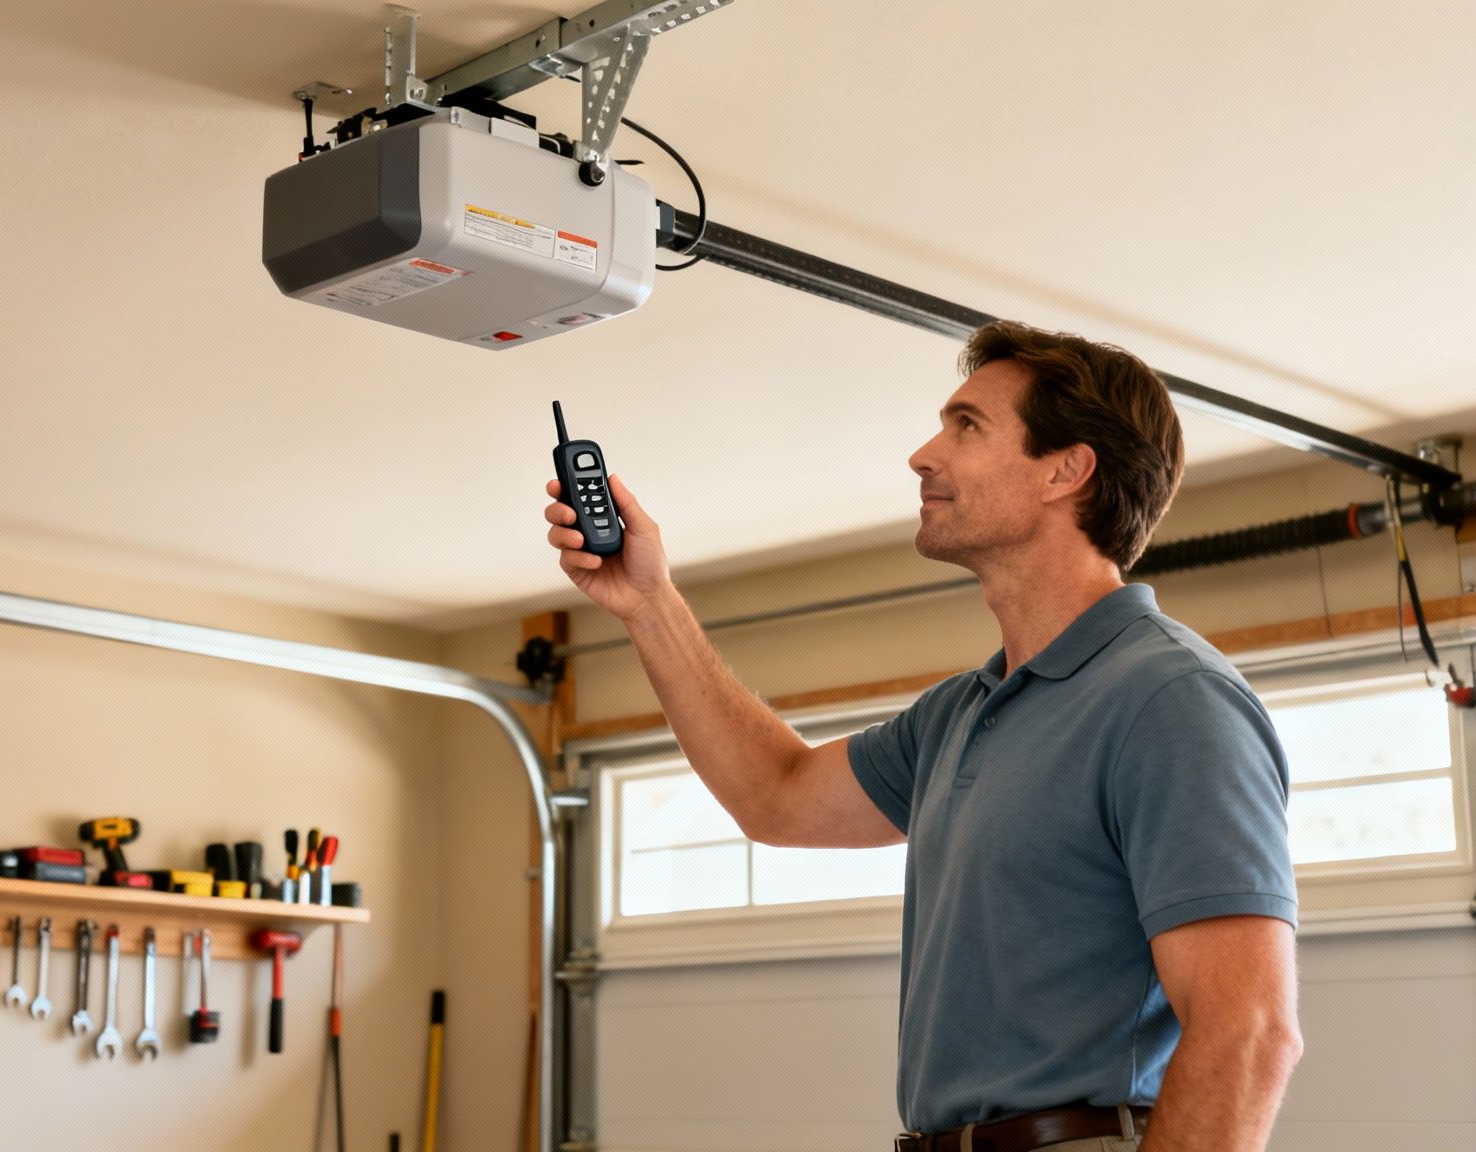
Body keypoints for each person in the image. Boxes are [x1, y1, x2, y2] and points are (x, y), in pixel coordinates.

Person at [542, 320, 1303, 1152]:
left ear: (1067, 469)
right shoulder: (961, 713)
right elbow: (777, 796)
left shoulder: (1168, 699)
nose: (922, 454)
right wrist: (650, 603)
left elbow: (1250, 1033)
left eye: (966, 425)